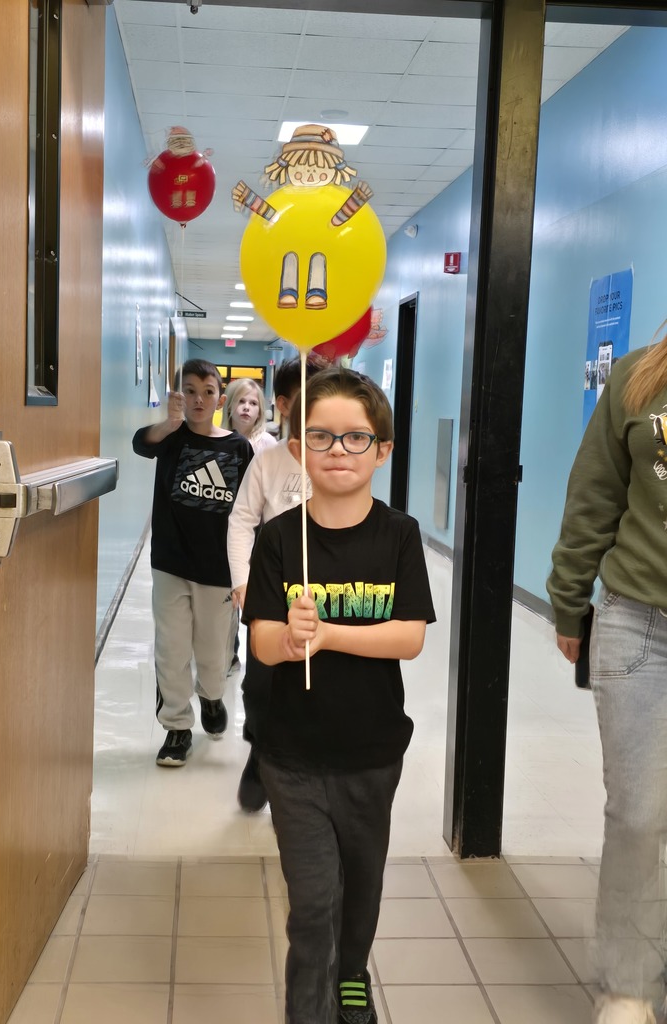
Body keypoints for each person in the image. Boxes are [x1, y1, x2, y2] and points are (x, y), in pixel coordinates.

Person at [243, 367, 436, 1024]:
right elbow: (265, 643)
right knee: (315, 901)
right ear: (296, 448)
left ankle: (352, 974)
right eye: (320, 436)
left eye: (356, 439)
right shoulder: (278, 540)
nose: (338, 451)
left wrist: (326, 635)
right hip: (291, 757)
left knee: (361, 888)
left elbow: (408, 638)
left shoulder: (400, 536)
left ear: (383, 450)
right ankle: (308, 1008)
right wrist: (292, 638)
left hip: (373, 754)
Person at [548, 337, 667, 1024]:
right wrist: (569, 597)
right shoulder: (640, 376)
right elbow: (593, 493)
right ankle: (628, 986)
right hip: (640, 622)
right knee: (640, 815)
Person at [133, 358, 253, 767]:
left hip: (219, 570)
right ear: (179, 396)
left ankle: (212, 697)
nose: (198, 398)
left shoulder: (238, 448)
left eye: (207, 391)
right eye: (189, 390)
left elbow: (250, 508)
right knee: (171, 648)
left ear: (221, 398)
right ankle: (177, 727)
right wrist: (168, 423)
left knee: (213, 653)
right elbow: (140, 443)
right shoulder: (172, 438)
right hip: (170, 563)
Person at [227, 358, 319, 810]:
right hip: (269, 590)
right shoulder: (267, 462)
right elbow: (242, 522)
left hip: (324, 597)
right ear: (284, 406)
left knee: (314, 682)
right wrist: (242, 583)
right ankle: (260, 750)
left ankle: (305, 767)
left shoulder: (338, 461)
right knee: (261, 683)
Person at [221, 377, 276, 454]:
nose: (246, 407)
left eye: (253, 403)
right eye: (241, 401)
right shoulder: (219, 442)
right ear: (229, 407)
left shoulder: (268, 443)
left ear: (259, 413)